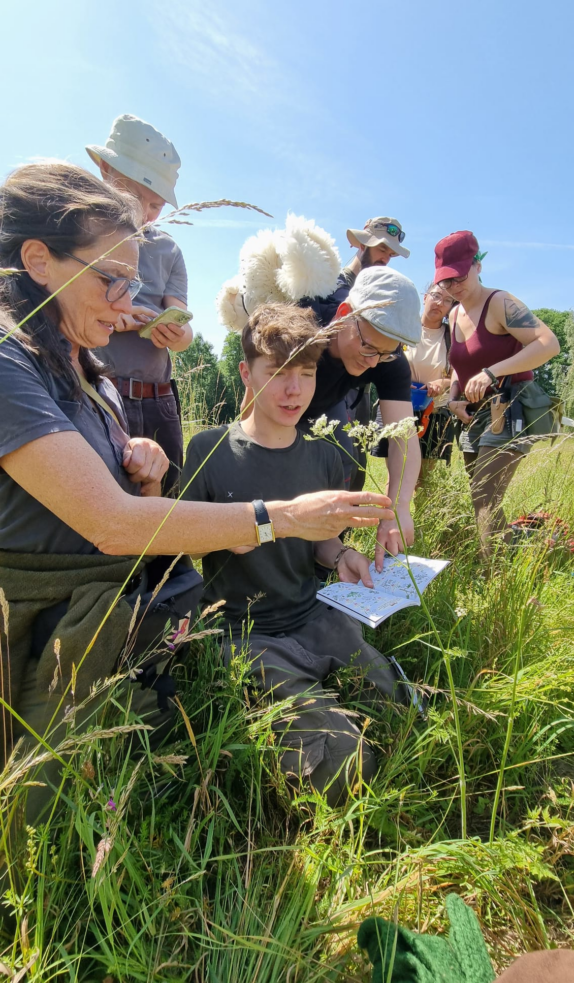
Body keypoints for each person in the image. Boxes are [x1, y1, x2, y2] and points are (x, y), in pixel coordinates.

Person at [0, 162, 394, 796]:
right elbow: (111, 526)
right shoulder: (9, 363)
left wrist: (146, 471)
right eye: (111, 279)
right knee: (52, 818)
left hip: (124, 621)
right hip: (47, 631)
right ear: (39, 260)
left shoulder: (90, 375)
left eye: (133, 283)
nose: (129, 303)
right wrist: (282, 518)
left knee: (397, 708)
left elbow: (136, 522)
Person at [182, 303, 410, 805]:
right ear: (246, 373)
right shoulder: (209, 450)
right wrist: (231, 532)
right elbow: (182, 541)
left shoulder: (324, 452)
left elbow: (320, 539)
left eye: (306, 374)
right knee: (344, 767)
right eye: (277, 373)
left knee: (400, 709)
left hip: (314, 615)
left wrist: (340, 556)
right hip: (246, 633)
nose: (294, 391)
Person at [435, 231, 560, 554]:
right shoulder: (454, 314)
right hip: (474, 414)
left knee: (485, 496)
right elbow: (459, 368)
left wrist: (493, 371)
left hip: (510, 405)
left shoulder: (500, 303)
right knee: (481, 496)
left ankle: (493, 575)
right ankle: (529, 551)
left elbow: (549, 343)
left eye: (460, 276)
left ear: (478, 265)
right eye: (446, 281)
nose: (454, 286)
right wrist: (453, 399)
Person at [86, 114, 192, 495]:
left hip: (159, 400)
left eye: (156, 204)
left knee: (168, 498)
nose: (145, 212)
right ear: (105, 169)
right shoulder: (79, 236)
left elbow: (185, 333)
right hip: (100, 392)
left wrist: (175, 331)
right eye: (135, 196)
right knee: (109, 496)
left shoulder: (168, 250)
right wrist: (119, 313)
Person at [308, 216, 412, 491]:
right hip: (317, 377)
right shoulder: (326, 288)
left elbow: (405, 436)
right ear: (361, 244)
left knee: (354, 459)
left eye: (391, 254)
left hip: (359, 388)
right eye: (381, 249)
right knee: (334, 452)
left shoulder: (385, 348)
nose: (385, 258)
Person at [404, 284, 456, 482]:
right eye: (436, 296)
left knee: (424, 480)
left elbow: (459, 376)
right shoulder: (403, 327)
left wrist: (443, 382)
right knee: (399, 477)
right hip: (399, 407)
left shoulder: (453, 337)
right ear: (425, 297)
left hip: (435, 413)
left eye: (448, 300)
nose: (440, 303)